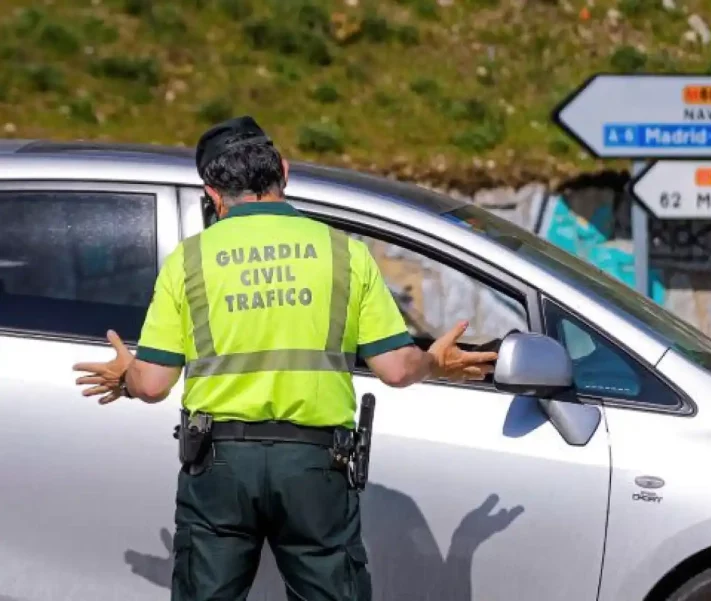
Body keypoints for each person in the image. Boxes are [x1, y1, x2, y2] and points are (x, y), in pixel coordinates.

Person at [71, 116, 498, 601]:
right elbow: (397, 369)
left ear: (211, 193)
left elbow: (151, 385)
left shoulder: (190, 259)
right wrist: (433, 362)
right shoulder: (345, 254)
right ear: (285, 173)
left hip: (219, 465)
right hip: (316, 466)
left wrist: (127, 377)